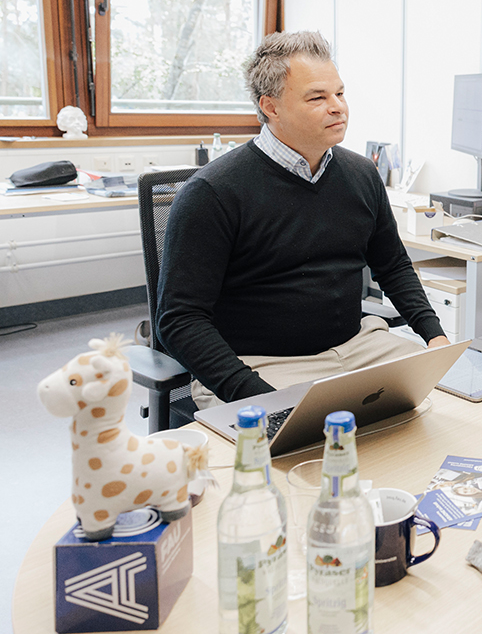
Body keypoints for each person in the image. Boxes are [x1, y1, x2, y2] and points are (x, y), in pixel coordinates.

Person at [156, 31, 450, 408]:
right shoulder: (213, 192)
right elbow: (179, 320)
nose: (338, 107)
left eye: (340, 94)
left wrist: (434, 336)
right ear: (271, 106)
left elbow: (392, 265)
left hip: (359, 347)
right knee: (309, 456)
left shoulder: (361, 174)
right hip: (262, 366)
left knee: (441, 408)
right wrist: (259, 397)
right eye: (318, 97)